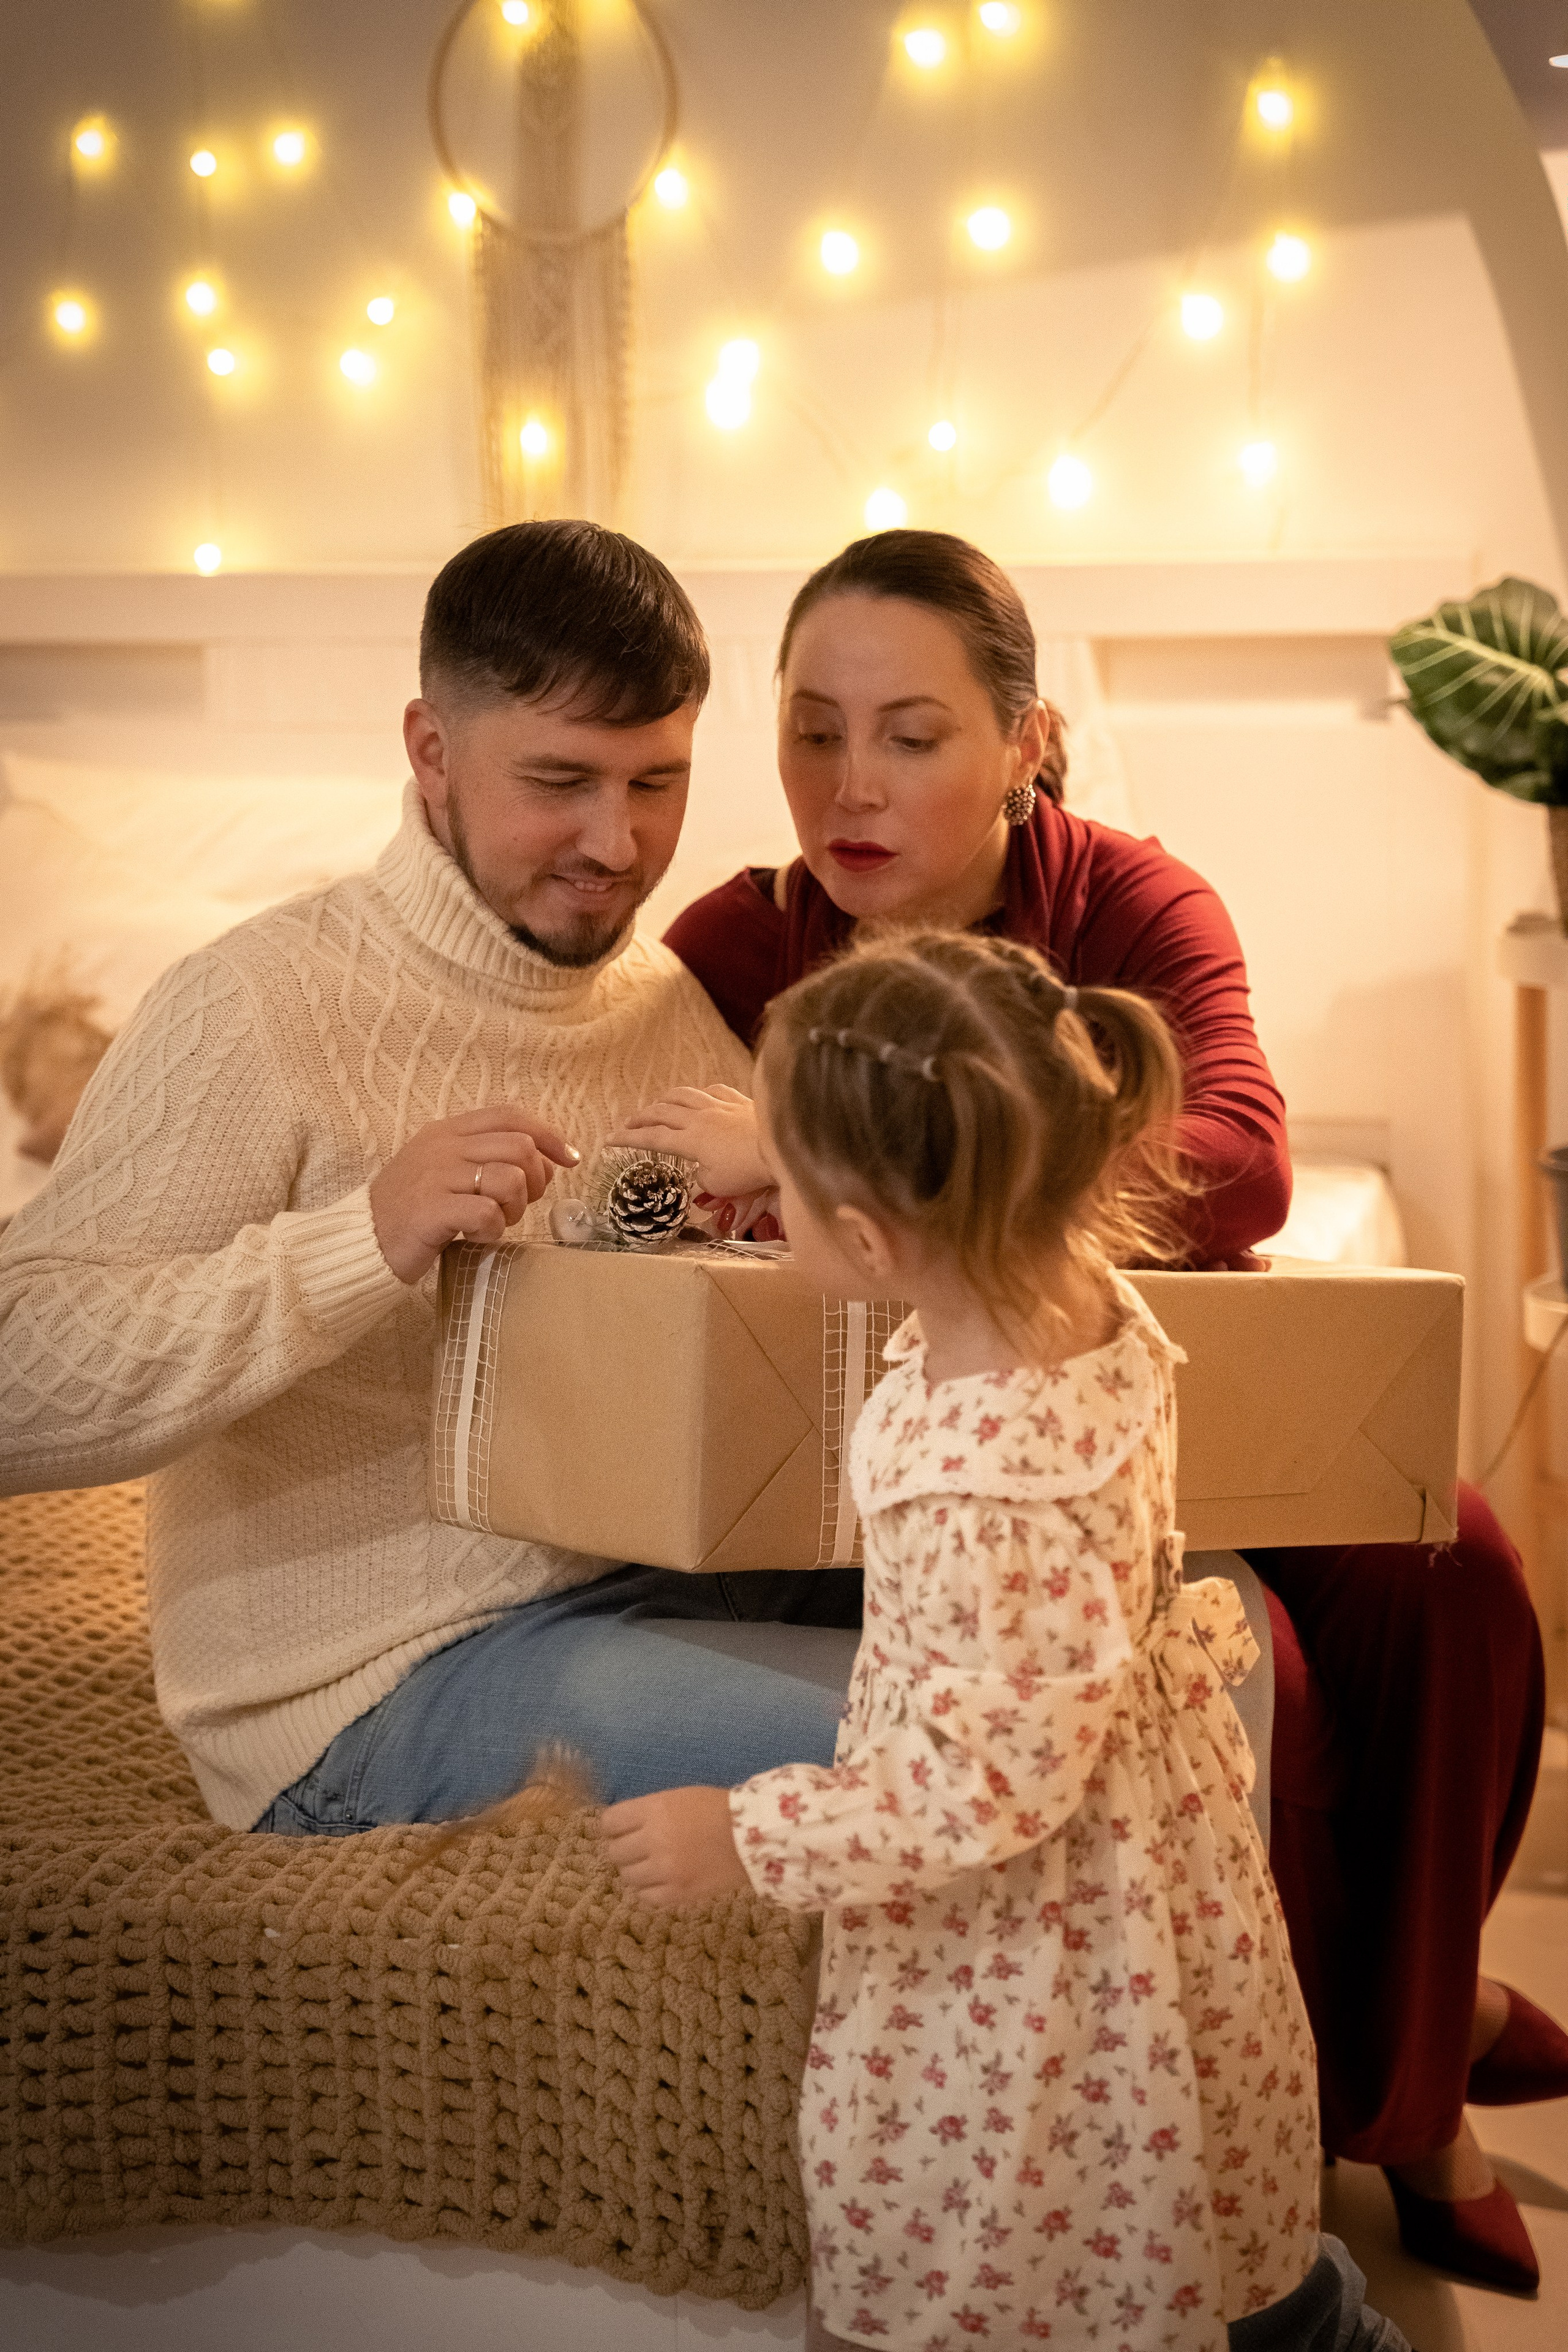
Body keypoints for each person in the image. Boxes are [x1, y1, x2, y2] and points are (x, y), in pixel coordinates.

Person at [636, 529, 1563, 2294]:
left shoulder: (1126, 898)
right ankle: (1408, 2088)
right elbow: (643, 1191)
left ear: (1029, 739)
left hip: (1153, 1382)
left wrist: (851, 1146)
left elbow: (1247, 1167)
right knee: (1255, 1681)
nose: (851, 781)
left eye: (911, 732)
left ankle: (1408, 2070)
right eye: (812, 728)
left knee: (1460, 1573)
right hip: (941, 1462)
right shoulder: (737, 941)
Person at [0, 519, 872, 1839]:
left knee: (1131, 1642)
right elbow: (22, 1378)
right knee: (969, 1745)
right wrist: (361, 1239)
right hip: (377, 1678)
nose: (617, 843)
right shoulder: (255, 1004)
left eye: (655, 783)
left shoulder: (665, 1003)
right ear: (430, 750)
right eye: (560, 780)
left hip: (674, 1579)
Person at [603, 929, 1410, 2352]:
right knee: (1187, 2180)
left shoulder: (990, 1469)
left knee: (975, 2232)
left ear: (864, 1239)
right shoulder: (1080, 1304)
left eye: (781, 1179)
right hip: (1140, 1829)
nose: (758, 1200)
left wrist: (750, 1837)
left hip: (1031, 1919)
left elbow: (985, 1785)